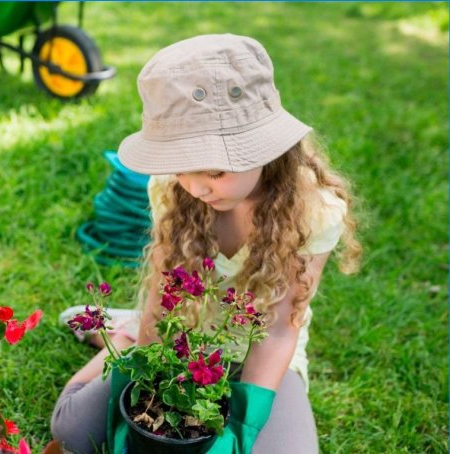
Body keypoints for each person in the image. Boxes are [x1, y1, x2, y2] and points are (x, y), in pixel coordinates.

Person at [51, 33, 361, 454]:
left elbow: (276, 333)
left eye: (215, 171)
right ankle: (122, 336)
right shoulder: (171, 189)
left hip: (252, 354)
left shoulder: (313, 211)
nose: (197, 187)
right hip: (182, 336)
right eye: (182, 168)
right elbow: (164, 295)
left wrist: (240, 428)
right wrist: (142, 370)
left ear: (265, 150)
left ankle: (118, 329)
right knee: (74, 431)